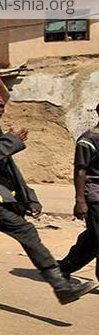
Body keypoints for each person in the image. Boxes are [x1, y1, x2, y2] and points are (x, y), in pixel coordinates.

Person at [0, 92, 96, 304]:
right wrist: (10, 142)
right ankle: (61, 286)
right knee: (26, 231)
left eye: (0, 106)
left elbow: (9, 169)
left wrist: (29, 197)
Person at [59, 103, 99, 282]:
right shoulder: (88, 140)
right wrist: (80, 200)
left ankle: (64, 268)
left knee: (92, 238)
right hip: (95, 195)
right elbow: (80, 171)